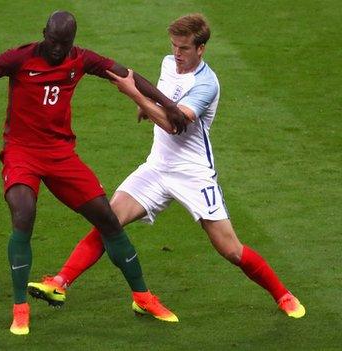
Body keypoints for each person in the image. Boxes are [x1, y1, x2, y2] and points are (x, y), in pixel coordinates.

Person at [29, 13, 306, 319]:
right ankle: (59, 282)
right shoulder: (167, 64)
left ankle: (283, 295)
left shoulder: (206, 84)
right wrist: (143, 105)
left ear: (200, 49)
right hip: (157, 167)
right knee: (109, 220)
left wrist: (134, 94)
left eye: (184, 48)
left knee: (231, 249)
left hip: (193, 174)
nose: (176, 53)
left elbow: (174, 124)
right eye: (174, 46)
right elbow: (159, 97)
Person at [0, 11, 188, 335]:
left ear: (72, 42)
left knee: (107, 218)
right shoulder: (21, 57)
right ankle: (20, 308)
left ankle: (143, 296)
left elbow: (128, 76)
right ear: (44, 34)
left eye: (64, 44)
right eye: (53, 42)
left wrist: (169, 105)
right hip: (22, 151)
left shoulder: (79, 59)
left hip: (62, 155)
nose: (57, 49)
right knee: (24, 211)